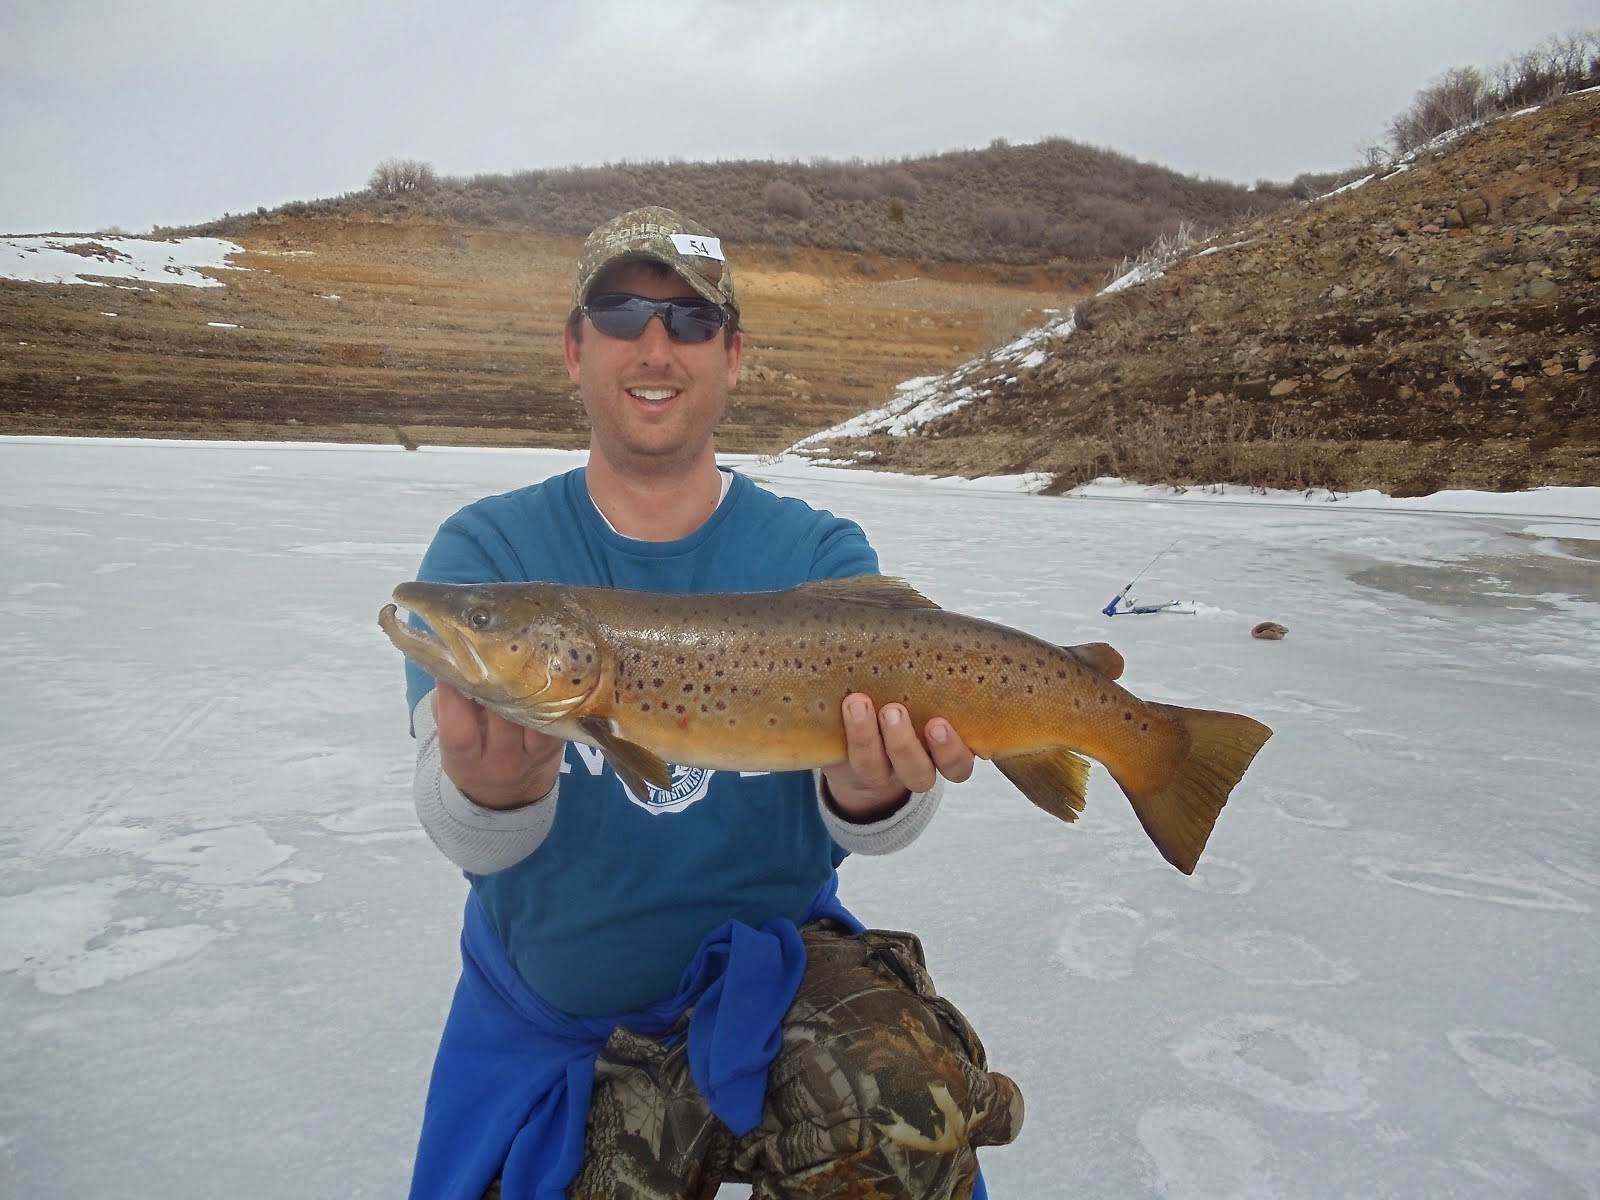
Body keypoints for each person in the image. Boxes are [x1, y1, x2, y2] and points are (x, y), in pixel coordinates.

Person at [401, 206, 1023, 1200]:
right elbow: (462, 825)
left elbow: (873, 823)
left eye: (689, 322)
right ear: (573, 349)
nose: (656, 347)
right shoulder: (487, 556)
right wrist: (493, 795)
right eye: (621, 314)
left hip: (777, 993)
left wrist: (872, 792)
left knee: (907, 1098)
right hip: (554, 1013)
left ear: (732, 357)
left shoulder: (818, 555)